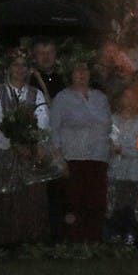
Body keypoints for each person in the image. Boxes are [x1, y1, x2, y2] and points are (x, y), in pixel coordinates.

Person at [0, 48, 52, 247]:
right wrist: (13, 144)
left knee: (30, 196)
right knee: (4, 194)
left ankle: (29, 237)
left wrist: (32, 143)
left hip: (30, 153)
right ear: (9, 68)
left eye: (24, 65)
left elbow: (43, 121)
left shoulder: (35, 94)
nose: (20, 69)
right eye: (16, 65)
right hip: (4, 152)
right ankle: (2, 239)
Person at [50, 57, 112, 242]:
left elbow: (110, 125)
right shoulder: (62, 98)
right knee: (74, 201)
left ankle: (93, 240)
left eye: (85, 71)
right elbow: (54, 129)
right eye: (77, 71)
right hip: (73, 156)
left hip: (98, 157)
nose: (81, 75)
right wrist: (58, 156)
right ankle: (73, 241)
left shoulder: (100, 98)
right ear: (71, 74)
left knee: (96, 201)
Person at [106, 84, 138, 245]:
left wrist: (124, 149)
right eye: (126, 97)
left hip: (136, 172)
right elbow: (112, 143)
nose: (129, 101)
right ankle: (115, 237)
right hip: (117, 171)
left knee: (133, 207)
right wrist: (126, 147)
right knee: (117, 205)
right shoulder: (113, 119)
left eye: (133, 97)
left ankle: (131, 237)